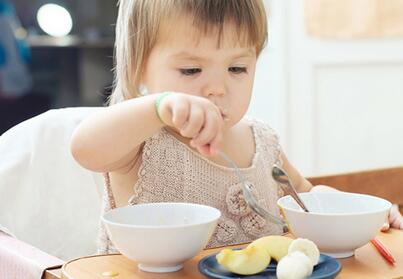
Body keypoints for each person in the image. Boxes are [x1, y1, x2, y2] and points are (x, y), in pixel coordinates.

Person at [70, 0, 403, 254]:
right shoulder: (141, 141)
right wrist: (158, 107)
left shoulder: (263, 142)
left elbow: (306, 197)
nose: (217, 88)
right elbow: (85, 149)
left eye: (237, 68)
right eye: (190, 70)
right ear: (139, 68)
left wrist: (361, 212)